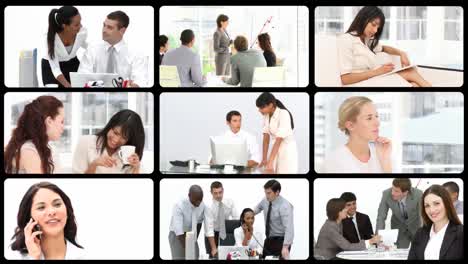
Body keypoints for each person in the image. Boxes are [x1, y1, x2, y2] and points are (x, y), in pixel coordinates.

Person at [337, 6, 431, 87]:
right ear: (363, 19)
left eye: (378, 28)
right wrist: (378, 72)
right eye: (373, 25)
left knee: (414, 84)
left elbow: (384, 48)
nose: (375, 30)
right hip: (358, 83)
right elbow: (345, 79)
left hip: (372, 79)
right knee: (410, 72)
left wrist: (402, 53)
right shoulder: (346, 39)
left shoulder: (367, 41)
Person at [9, 182, 84, 260]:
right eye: (41, 207)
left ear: (67, 211)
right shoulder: (13, 257)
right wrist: (35, 257)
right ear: (29, 217)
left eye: (57, 204)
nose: (51, 212)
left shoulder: (85, 256)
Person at [322, 96, 392, 173]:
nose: (377, 123)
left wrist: (385, 160)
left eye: (376, 116)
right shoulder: (335, 160)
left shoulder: (382, 153)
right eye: (369, 118)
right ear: (350, 126)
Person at [78, 11, 147, 87]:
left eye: (109, 27)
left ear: (122, 31)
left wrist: (133, 86)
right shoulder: (92, 49)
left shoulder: (135, 53)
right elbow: (82, 78)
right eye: (104, 25)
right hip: (95, 96)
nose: (104, 30)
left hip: (125, 97)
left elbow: (140, 81)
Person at [4, 96, 64, 174]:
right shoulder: (29, 150)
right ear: (49, 121)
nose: (63, 127)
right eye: (62, 121)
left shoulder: (46, 149)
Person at [72, 109, 145, 174]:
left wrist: (136, 168)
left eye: (124, 138)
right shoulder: (86, 142)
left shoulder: (127, 154)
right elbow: (76, 182)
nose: (116, 140)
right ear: (110, 127)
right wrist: (93, 165)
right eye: (115, 133)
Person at [408, 185, 463, 260]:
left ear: (446, 203)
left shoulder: (460, 233)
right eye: (427, 206)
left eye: (436, 203)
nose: (432, 210)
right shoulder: (420, 233)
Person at [315, 198, 381, 260]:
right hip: (326, 257)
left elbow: (346, 244)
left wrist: (371, 241)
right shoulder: (330, 227)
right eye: (344, 208)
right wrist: (370, 241)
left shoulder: (338, 223)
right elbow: (347, 246)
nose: (347, 209)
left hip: (336, 255)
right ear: (338, 212)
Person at [42, 6, 87, 87]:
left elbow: (86, 45)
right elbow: (55, 69)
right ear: (64, 26)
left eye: (80, 22)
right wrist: (68, 86)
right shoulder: (50, 38)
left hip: (72, 63)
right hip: (51, 68)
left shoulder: (81, 32)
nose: (80, 26)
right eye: (76, 24)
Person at [168, 185, 217, 260]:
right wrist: (188, 250)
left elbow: (209, 229)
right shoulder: (179, 205)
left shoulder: (203, 205)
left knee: (195, 256)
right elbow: (179, 232)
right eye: (196, 200)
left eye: (200, 200)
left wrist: (213, 248)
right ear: (189, 195)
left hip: (191, 235)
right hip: (177, 235)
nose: (198, 203)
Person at [256, 92, 298, 173]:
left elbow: (279, 140)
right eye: (259, 108)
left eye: (262, 108)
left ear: (271, 105)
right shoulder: (266, 115)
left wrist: (270, 161)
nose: (259, 110)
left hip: (286, 151)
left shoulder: (284, 113)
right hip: (275, 150)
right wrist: (264, 159)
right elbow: (266, 137)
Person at [376, 178, 423, 248]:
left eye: (396, 191)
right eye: (392, 189)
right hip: (399, 228)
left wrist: (423, 233)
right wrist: (378, 236)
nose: (392, 193)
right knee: (400, 252)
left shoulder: (418, 194)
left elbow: (422, 215)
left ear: (405, 192)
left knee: (420, 251)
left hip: (415, 227)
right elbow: (381, 217)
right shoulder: (386, 194)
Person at [254, 180, 293, 260]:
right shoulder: (265, 200)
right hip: (269, 239)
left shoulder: (285, 206)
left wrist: (285, 247)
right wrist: (248, 214)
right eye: (265, 193)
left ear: (277, 192)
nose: (266, 195)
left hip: (280, 241)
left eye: (269, 193)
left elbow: (289, 228)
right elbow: (258, 208)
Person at [205, 181, 238, 258]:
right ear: (211, 193)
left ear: (223, 190)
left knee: (229, 256)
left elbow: (236, 219)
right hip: (212, 234)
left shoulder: (230, 202)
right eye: (215, 193)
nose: (218, 195)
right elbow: (209, 229)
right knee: (213, 256)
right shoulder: (208, 207)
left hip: (226, 233)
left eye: (220, 192)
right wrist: (213, 248)